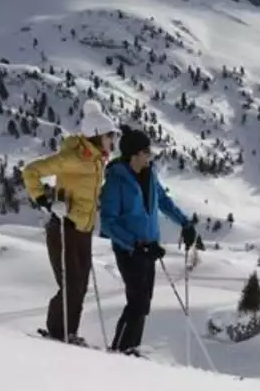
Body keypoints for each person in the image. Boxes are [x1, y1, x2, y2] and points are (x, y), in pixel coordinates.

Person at [22, 99, 119, 345]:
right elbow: (30, 170)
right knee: (71, 284)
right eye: (110, 136)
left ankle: (68, 332)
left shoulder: (97, 160)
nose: (113, 142)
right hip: (63, 226)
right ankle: (58, 332)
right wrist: (44, 200)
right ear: (97, 135)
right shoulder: (72, 158)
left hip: (83, 229)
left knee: (80, 285)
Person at [99, 124, 197, 355]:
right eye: (146, 152)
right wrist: (135, 244)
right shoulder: (116, 181)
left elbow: (163, 201)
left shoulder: (149, 175)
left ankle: (131, 349)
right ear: (134, 154)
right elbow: (108, 222)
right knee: (137, 301)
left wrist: (185, 223)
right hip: (129, 249)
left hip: (149, 248)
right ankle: (120, 351)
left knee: (144, 303)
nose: (149, 156)